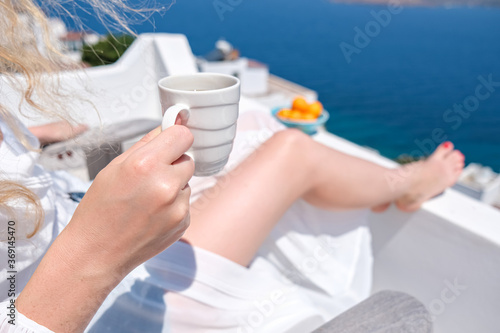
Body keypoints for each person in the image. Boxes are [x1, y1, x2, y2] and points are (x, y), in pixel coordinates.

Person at [0, 1, 465, 332]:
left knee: (256, 124)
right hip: (102, 295)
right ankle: (408, 183)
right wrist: (97, 253)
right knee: (290, 150)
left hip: (77, 231)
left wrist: (28, 138)